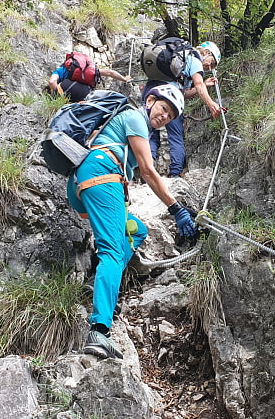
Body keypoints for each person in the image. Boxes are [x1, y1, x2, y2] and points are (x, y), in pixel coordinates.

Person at [66, 84, 200, 359]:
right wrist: (176, 208)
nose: (165, 117)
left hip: (86, 179)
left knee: (136, 230)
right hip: (101, 175)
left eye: (171, 116)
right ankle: (99, 331)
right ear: (150, 100)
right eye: (163, 108)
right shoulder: (135, 118)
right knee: (113, 252)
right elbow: (149, 172)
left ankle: (99, 281)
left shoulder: (127, 121)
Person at [141, 41, 224, 178]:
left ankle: (146, 170)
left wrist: (203, 85)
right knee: (175, 136)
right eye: (212, 62)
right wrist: (211, 104)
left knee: (149, 132)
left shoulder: (179, 59)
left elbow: (184, 94)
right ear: (207, 53)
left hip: (151, 91)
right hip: (170, 98)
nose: (210, 67)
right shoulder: (195, 58)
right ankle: (175, 173)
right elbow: (197, 84)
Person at [48, 55, 132, 102]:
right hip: (87, 92)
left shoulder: (61, 70)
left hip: (69, 89)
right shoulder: (87, 70)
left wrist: (56, 96)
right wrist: (124, 79)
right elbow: (109, 72)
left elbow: (52, 82)